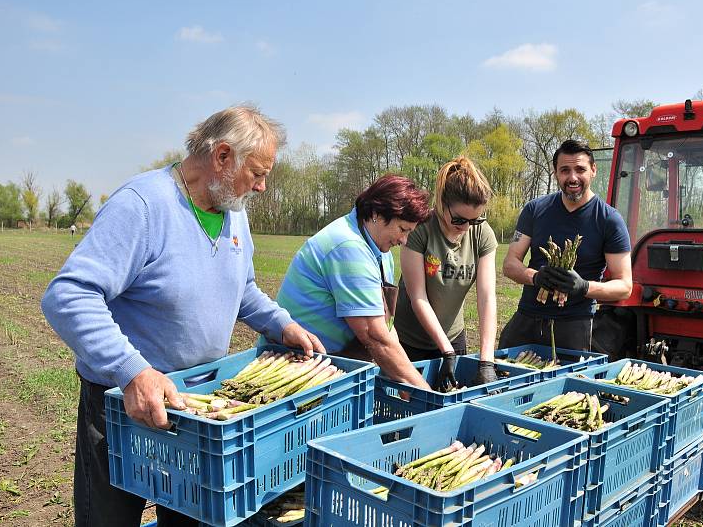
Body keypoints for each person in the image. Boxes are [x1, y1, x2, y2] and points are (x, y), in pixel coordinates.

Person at [41, 105, 324, 527]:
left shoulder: (235, 213)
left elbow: (241, 288)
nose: (263, 187)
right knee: (109, 518)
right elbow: (69, 295)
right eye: (258, 173)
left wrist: (280, 324)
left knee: (190, 518)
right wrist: (133, 371)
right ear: (223, 156)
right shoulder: (143, 206)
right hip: (125, 408)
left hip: (194, 410)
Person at [276, 174, 433, 389]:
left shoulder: (379, 247)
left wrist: (405, 378)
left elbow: (386, 327)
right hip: (297, 366)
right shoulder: (348, 247)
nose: (404, 240)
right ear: (378, 214)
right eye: (403, 229)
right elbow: (375, 336)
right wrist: (422, 389)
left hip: (331, 364)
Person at [499, 139, 632, 351]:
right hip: (528, 316)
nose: (572, 178)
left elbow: (625, 287)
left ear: (593, 170)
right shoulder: (535, 210)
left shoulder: (609, 219)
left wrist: (584, 286)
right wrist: (535, 277)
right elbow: (509, 264)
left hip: (575, 325)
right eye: (565, 170)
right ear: (555, 173)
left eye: (580, 169)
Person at [394, 156, 499, 388]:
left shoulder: (482, 234)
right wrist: (446, 352)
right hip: (411, 341)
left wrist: (486, 361)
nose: (466, 228)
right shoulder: (420, 229)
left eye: (475, 220)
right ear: (442, 203)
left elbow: (487, 296)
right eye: (459, 220)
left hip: (454, 337)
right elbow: (417, 296)